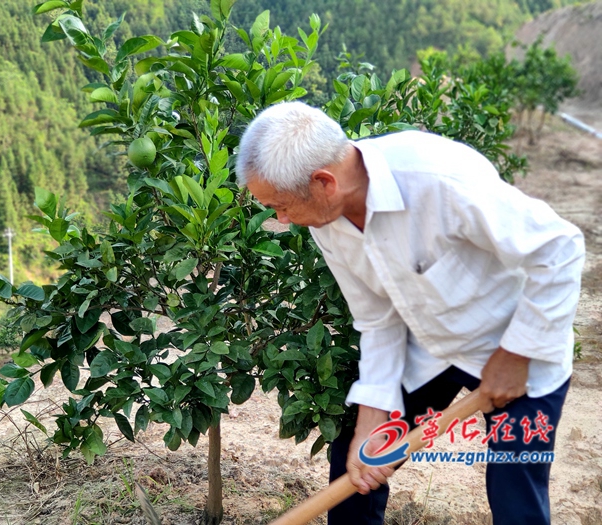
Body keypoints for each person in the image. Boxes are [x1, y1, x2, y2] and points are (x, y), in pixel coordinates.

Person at [235, 101, 585, 524]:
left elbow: (560, 249)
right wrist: (372, 416)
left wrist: (517, 353)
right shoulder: (326, 219)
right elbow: (376, 317)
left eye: (282, 206)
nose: (282, 219)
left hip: (518, 346)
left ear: (324, 182)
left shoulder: (439, 179)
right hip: (430, 347)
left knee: (515, 495)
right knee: (354, 467)